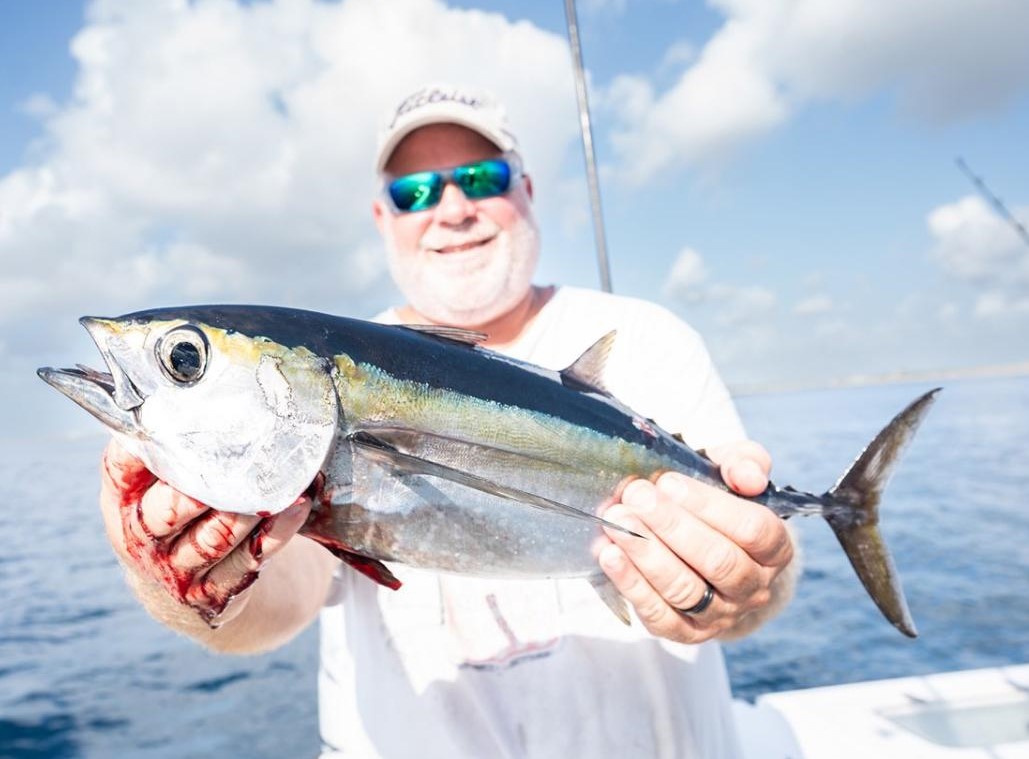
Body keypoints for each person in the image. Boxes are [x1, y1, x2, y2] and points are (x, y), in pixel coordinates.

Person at [99, 83, 796, 758]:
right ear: (384, 219)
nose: (452, 207)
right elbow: (284, 592)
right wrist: (182, 585)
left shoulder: (650, 339)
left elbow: (756, 559)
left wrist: (750, 585)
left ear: (526, 192)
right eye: (415, 192)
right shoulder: (317, 411)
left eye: (483, 177)